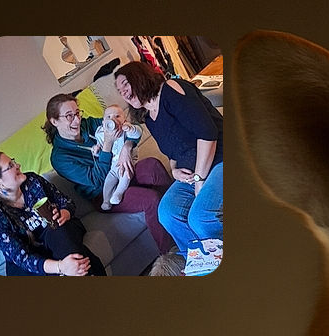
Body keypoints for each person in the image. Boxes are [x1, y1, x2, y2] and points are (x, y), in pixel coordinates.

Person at [114, 61, 223, 258]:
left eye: (125, 84)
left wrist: (199, 180)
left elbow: (208, 133)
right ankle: (202, 263)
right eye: (119, 90)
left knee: (200, 217)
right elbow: (172, 153)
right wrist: (174, 170)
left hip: (221, 158)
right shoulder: (148, 117)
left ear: (140, 77)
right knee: (167, 212)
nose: (123, 92)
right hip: (193, 172)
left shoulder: (171, 89)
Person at [45, 92, 174, 254]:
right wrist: (107, 144)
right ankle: (171, 255)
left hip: (123, 171)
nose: (77, 120)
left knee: (152, 166)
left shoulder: (89, 124)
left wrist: (127, 147)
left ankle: (180, 216)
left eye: (77, 113)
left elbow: (130, 128)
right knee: (151, 199)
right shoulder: (60, 157)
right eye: (69, 116)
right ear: (54, 121)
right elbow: (97, 181)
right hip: (104, 194)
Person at [0, 150, 105, 276]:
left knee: (59, 232)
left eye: (13, 161)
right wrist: (60, 267)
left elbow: (66, 202)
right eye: (10, 166)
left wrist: (65, 212)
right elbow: (20, 257)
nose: (17, 165)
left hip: (57, 233)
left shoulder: (32, 181)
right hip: (31, 253)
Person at [93, 104, 141, 210]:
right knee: (108, 181)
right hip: (113, 165)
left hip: (127, 163)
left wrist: (130, 128)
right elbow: (100, 148)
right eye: (108, 117)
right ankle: (106, 200)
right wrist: (96, 151)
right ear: (103, 122)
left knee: (125, 176)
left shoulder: (126, 129)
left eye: (117, 116)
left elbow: (138, 133)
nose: (113, 119)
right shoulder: (101, 133)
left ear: (124, 120)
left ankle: (118, 194)